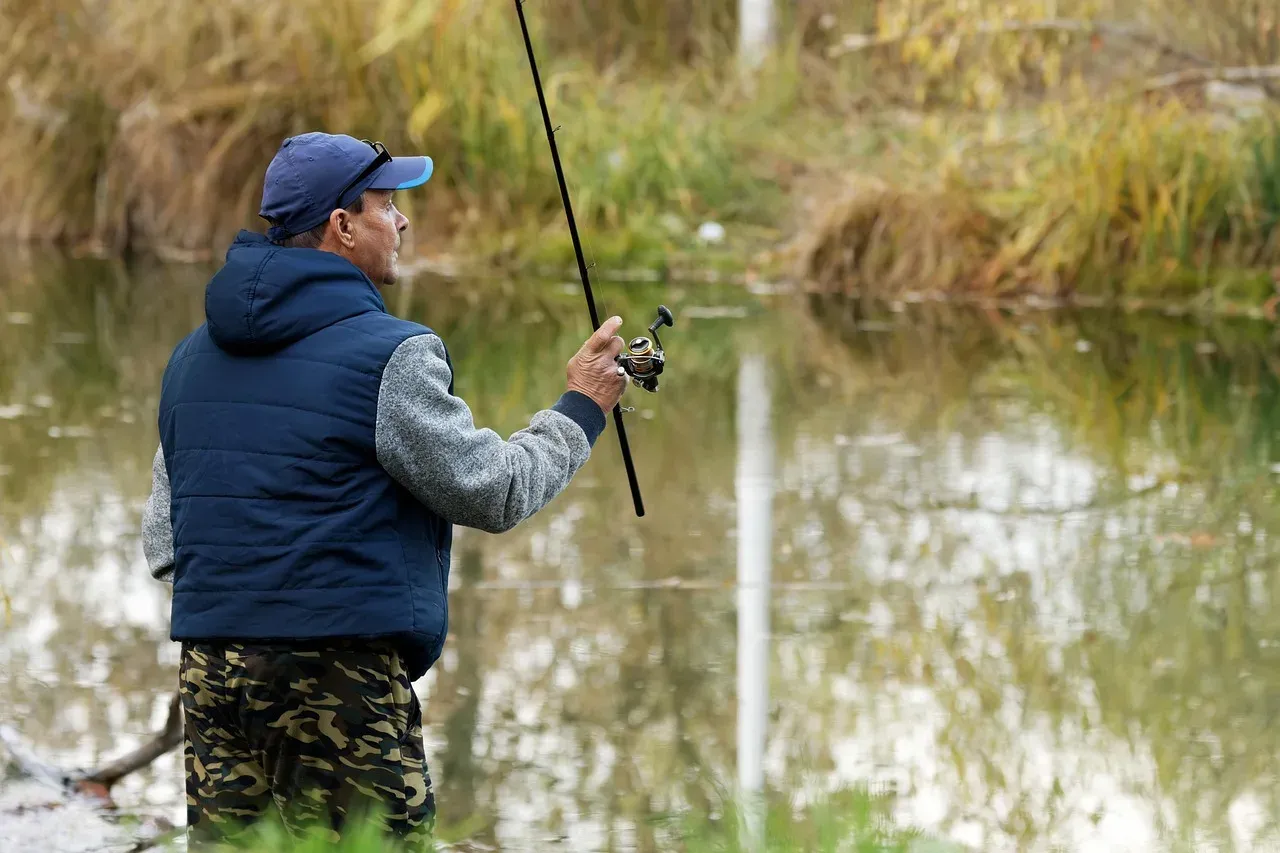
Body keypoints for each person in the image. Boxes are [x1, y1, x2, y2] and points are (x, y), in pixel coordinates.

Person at [139, 131, 628, 847]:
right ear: (342, 226)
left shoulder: (191, 359)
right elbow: (493, 491)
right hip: (340, 677)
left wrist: (247, 609)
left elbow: (164, 540)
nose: (401, 222)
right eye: (387, 206)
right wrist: (581, 405)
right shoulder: (392, 355)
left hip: (212, 672)